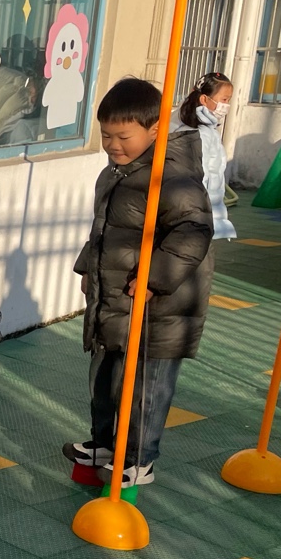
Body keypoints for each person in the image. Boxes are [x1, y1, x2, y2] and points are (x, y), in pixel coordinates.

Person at [64, 78, 213, 487]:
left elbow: (193, 232)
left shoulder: (173, 177)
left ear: (154, 129)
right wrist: (89, 270)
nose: (113, 144)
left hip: (159, 307)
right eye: (106, 135)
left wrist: (154, 279)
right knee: (105, 377)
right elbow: (104, 229)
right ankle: (105, 443)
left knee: (146, 387)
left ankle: (139, 459)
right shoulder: (115, 173)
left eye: (123, 136)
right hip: (115, 298)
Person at [172, 71, 237, 240]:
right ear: (204, 99)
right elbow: (200, 176)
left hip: (204, 214)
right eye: (224, 100)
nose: (226, 105)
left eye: (228, 100)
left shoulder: (207, 130)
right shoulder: (195, 133)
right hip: (195, 217)